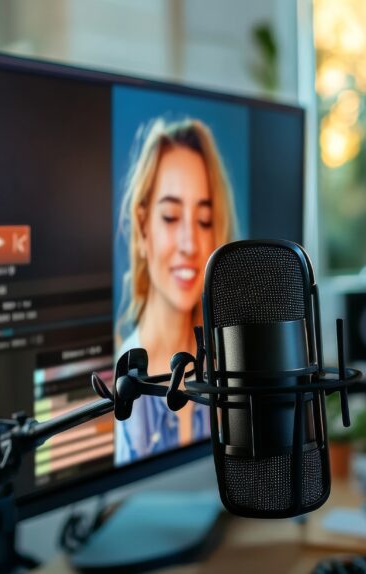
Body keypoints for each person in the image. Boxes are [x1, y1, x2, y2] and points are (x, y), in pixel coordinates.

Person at [114, 118, 237, 465]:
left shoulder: (223, 372)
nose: (189, 244)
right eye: (170, 216)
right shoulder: (120, 385)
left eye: (204, 222)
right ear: (142, 228)